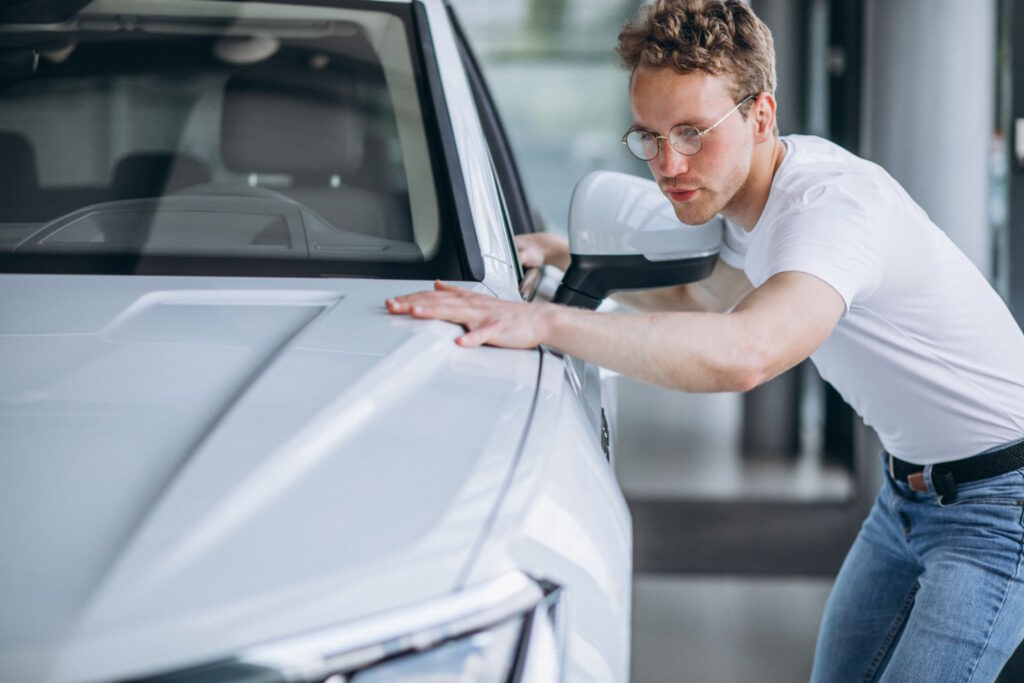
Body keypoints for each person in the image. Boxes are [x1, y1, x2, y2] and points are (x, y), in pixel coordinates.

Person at [386, 0, 1024, 679]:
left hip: (1001, 502)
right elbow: (700, 296)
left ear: (761, 115)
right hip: (909, 494)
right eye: (649, 137)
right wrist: (571, 260)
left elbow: (748, 352)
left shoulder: (828, 208)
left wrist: (546, 323)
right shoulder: (746, 205)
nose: (668, 164)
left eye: (691, 132)